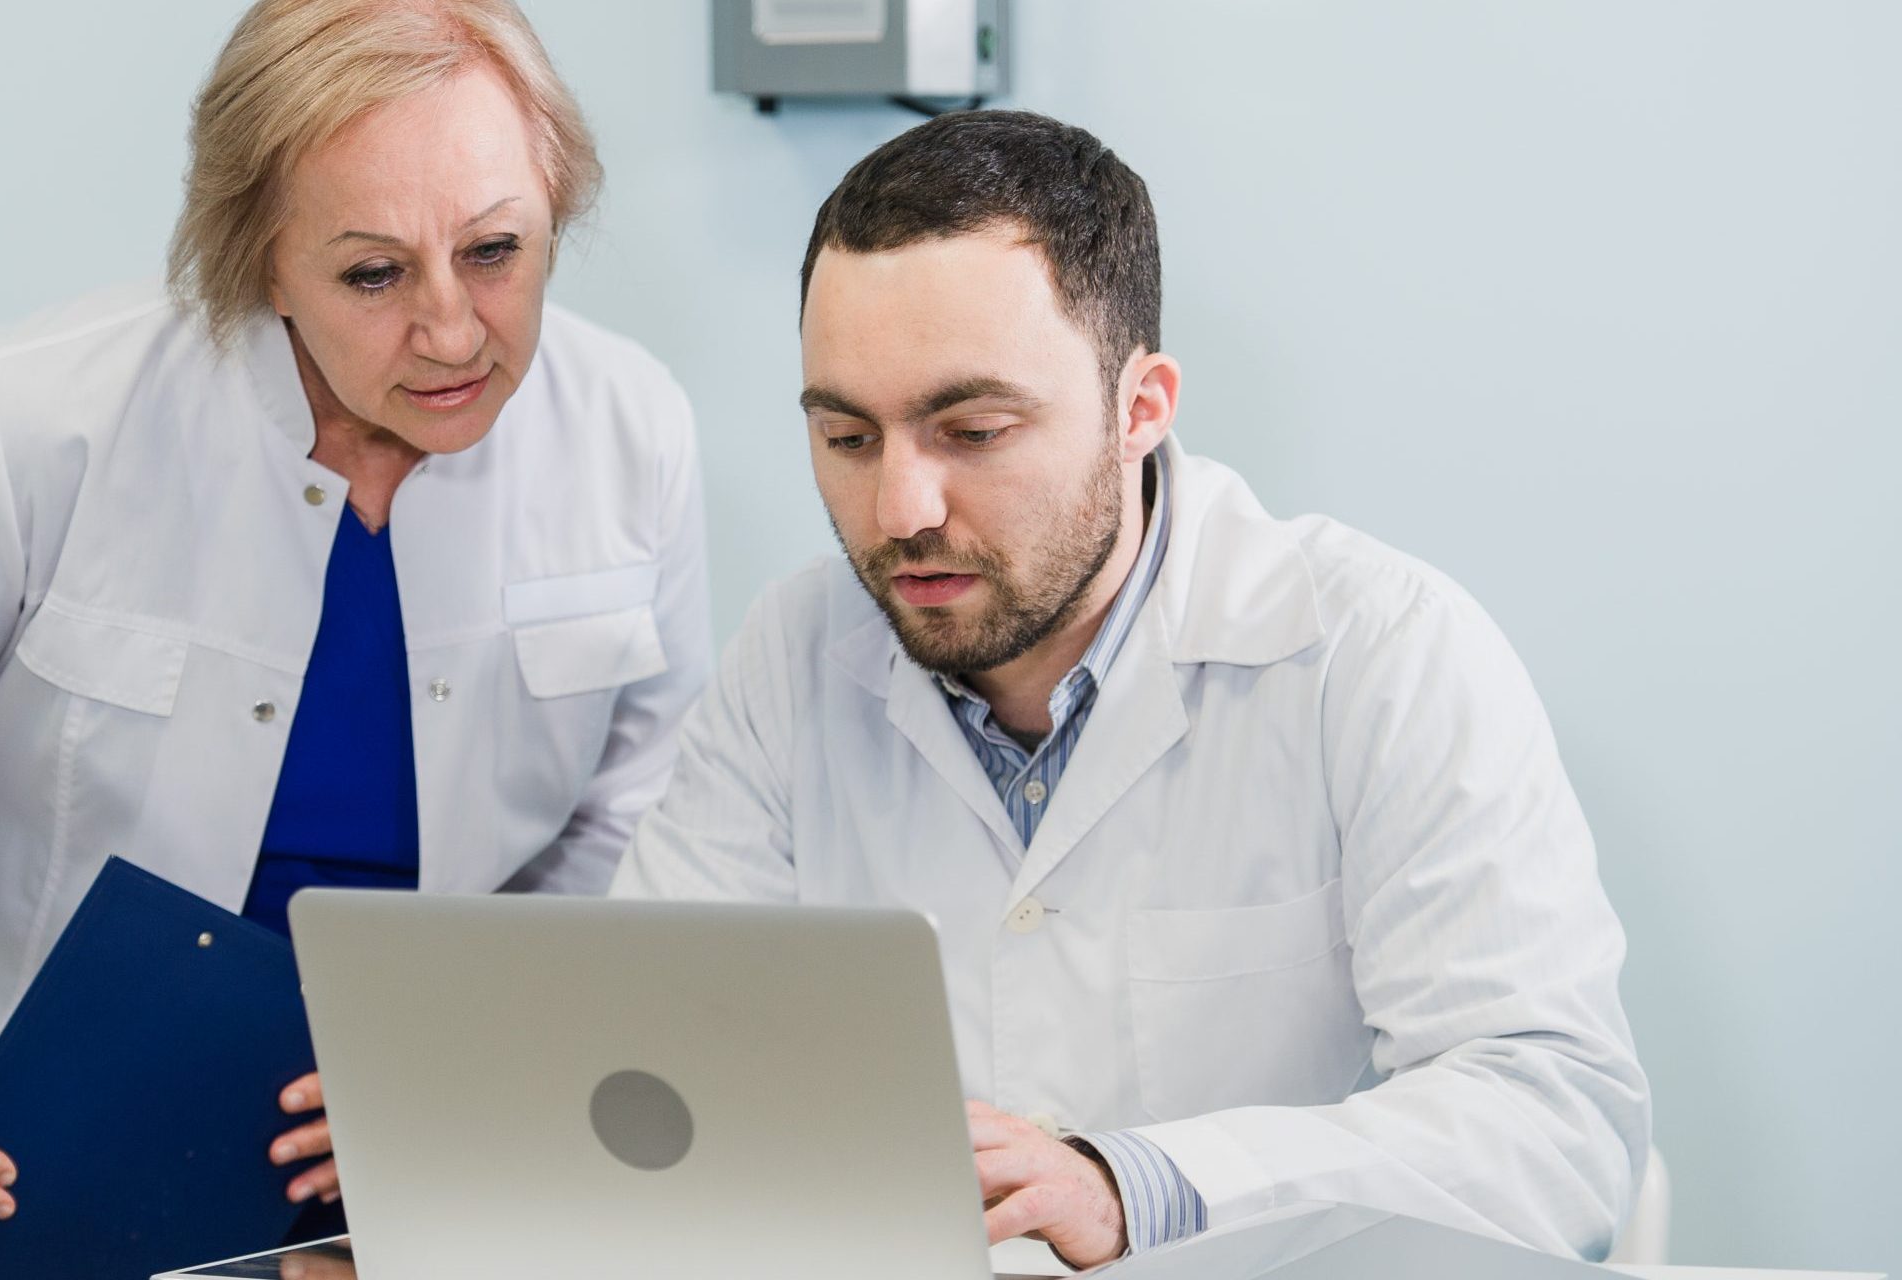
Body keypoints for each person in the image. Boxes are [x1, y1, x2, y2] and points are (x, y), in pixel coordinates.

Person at [0, 2, 709, 1274]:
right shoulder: (32, 418)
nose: (453, 329)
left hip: (409, 1164)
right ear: (258, 255)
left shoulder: (630, 432)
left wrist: (478, 1071)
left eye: (496, 251)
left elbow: (641, 829)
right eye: (372, 273)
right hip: (23, 1140)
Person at [612, 110, 1648, 1267]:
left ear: (1140, 409)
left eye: (973, 428)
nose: (900, 510)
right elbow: (647, 1069)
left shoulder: (1378, 652)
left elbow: (1553, 1126)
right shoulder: (796, 654)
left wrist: (1137, 1184)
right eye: (850, 437)